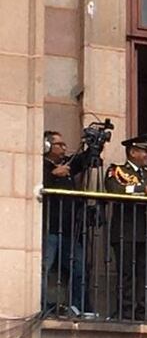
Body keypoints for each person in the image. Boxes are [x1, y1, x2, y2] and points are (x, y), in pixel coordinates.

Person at [104, 133, 147, 321]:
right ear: (133, 152)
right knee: (127, 275)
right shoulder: (117, 171)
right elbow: (115, 190)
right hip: (126, 231)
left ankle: (142, 313)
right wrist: (143, 191)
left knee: (146, 276)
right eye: (144, 151)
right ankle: (126, 313)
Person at [42, 131, 91, 315]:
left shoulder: (66, 164)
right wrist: (54, 175)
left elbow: (83, 160)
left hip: (69, 230)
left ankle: (77, 307)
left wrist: (95, 144)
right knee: (43, 268)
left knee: (80, 269)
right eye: (59, 144)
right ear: (47, 146)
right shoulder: (41, 165)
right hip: (49, 228)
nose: (64, 147)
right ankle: (40, 305)